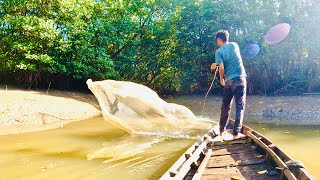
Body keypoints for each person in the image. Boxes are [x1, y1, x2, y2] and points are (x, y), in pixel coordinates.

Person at [210, 30, 247, 139]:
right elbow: (230, 58)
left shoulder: (218, 52)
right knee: (240, 105)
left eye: (217, 41)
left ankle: (222, 131)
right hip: (240, 79)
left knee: (226, 106)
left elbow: (221, 67)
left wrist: (221, 79)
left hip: (229, 82)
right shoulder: (235, 45)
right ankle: (236, 132)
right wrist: (216, 64)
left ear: (219, 40)